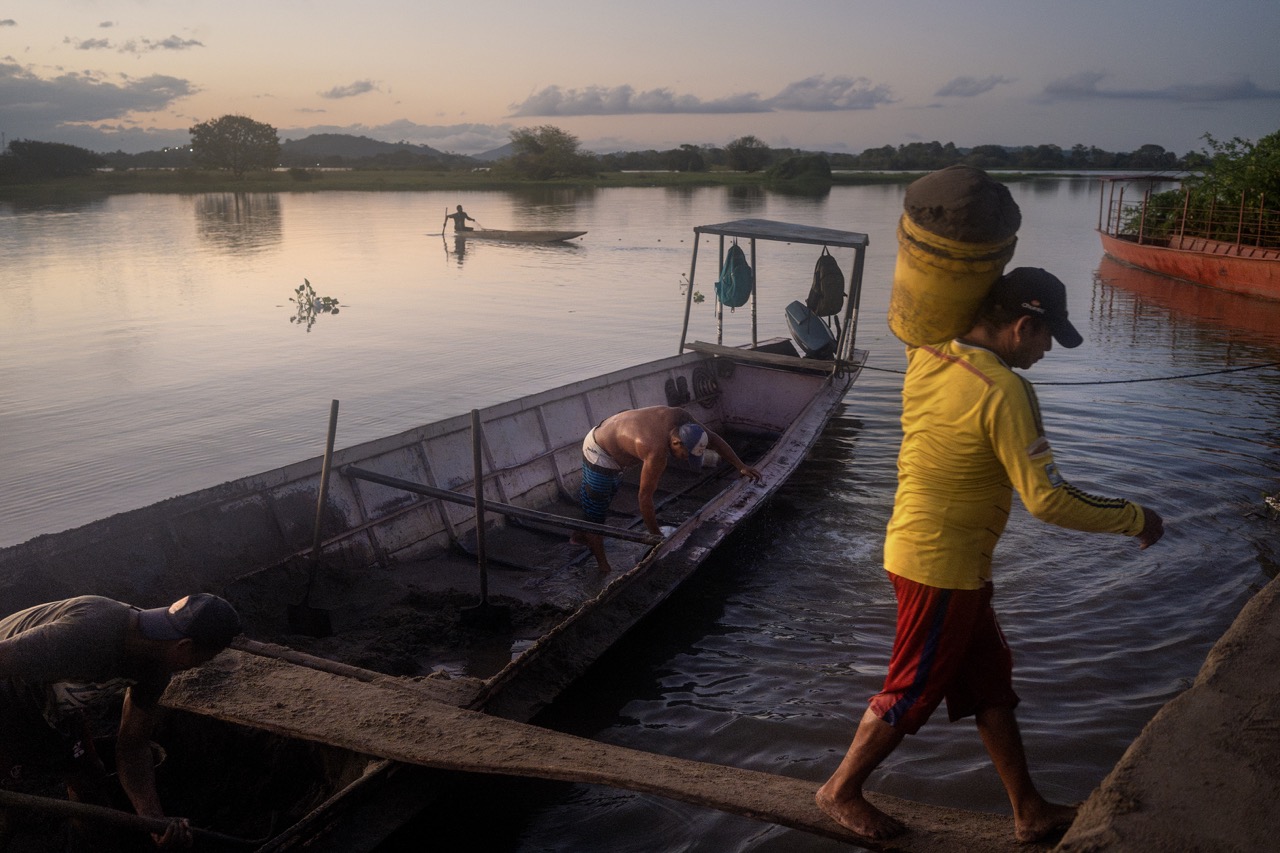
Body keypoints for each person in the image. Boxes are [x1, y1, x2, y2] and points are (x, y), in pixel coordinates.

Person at [815, 268, 1165, 844]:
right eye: (1047, 336)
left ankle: (1028, 810)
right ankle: (840, 790)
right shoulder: (1004, 389)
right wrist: (1135, 517)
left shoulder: (929, 353)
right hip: (940, 566)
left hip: (932, 553)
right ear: (1022, 325)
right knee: (910, 690)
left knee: (990, 686)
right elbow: (1048, 499)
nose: (1047, 349)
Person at [0, 593, 242, 849]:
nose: (197, 667)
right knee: (8, 809)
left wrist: (154, 822)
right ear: (184, 647)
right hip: (8, 700)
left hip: (54, 710)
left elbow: (133, 748)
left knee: (89, 782)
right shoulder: (89, 633)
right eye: (203, 659)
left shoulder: (156, 666)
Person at [574, 406, 763, 573]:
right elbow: (644, 498)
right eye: (685, 455)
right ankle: (603, 566)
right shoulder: (656, 452)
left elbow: (714, 439)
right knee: (596, 512)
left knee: (607, 493)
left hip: (615, 437)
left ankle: (583, 535)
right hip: (600, 452)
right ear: (676, 442)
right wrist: (656, 536)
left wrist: (740, 465)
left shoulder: (683, 420)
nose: (685, 459)